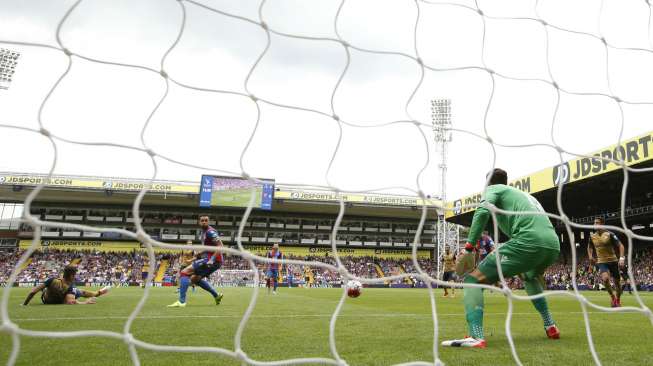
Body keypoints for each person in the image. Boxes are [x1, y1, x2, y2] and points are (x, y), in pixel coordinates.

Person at [442, 168, 561, 349]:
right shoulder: (527, 196)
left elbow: (482, 212)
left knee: (473, 280)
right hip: (553, 245)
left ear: (488, 182)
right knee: (528, 277)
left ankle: (476, 336)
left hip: (527, 241)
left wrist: (468, 248)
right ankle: (550, 325)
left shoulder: (493, 189)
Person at [168, 215, 224, 307]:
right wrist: (199, 253)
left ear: (208, 222)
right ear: (199, 222)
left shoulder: (210, 232)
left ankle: (181, 301)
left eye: (206, 220)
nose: (204, 222)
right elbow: (210, 248)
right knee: (195, 279)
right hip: (214, 261)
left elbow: (220, 246)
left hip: (213, 260)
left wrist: (212, 259)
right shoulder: (204, 232)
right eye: (202, 220)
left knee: (184, 272)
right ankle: (216, 296)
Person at [22, 265, 110, 305]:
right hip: (60, 299)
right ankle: (99, 292)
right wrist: (85, 303)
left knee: (80, 292)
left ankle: (99, 292)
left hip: (46, 299)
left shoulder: (52, 280)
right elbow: (70, 301)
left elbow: (32, 292)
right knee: (81, 292)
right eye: (74, 275)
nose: (75, 276)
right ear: (71, 275)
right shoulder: (70, 286)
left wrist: (24, 304)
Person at [587, 217, 625, 307]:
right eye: (594, 223)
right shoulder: (592, 236)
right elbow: (589, 247)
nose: (595, 224)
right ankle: (613, 298)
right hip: (602, 261)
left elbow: (621, 246)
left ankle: (618, 300)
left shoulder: (610, 234)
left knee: (617, 283)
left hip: (613, 261)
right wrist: (590, 256)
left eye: (597, 223)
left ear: (602, 224)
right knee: (605, 279)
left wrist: (622, 258)